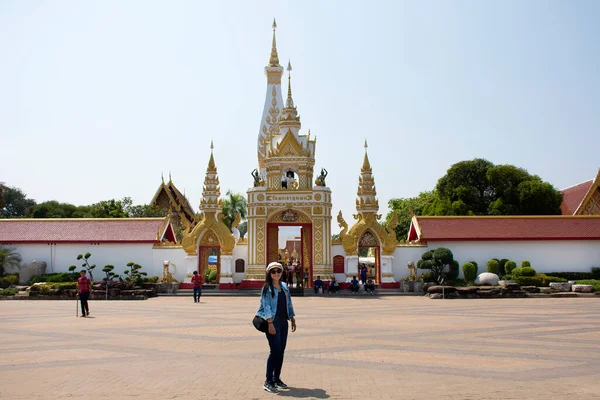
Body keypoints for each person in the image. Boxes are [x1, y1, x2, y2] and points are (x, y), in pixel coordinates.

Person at [256, 262, 297, 394]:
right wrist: (269, 323)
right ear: (269, 274)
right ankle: (268, 381)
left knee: (281, 351)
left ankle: (276, 378)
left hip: (283, 322)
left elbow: (288, 302)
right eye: (273, 272)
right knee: (275, 351)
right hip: (272, 322)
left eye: (278, 271)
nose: (276, 274)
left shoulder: (284, 286)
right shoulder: (267, 288)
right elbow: (266, 305)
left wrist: (292, 317)